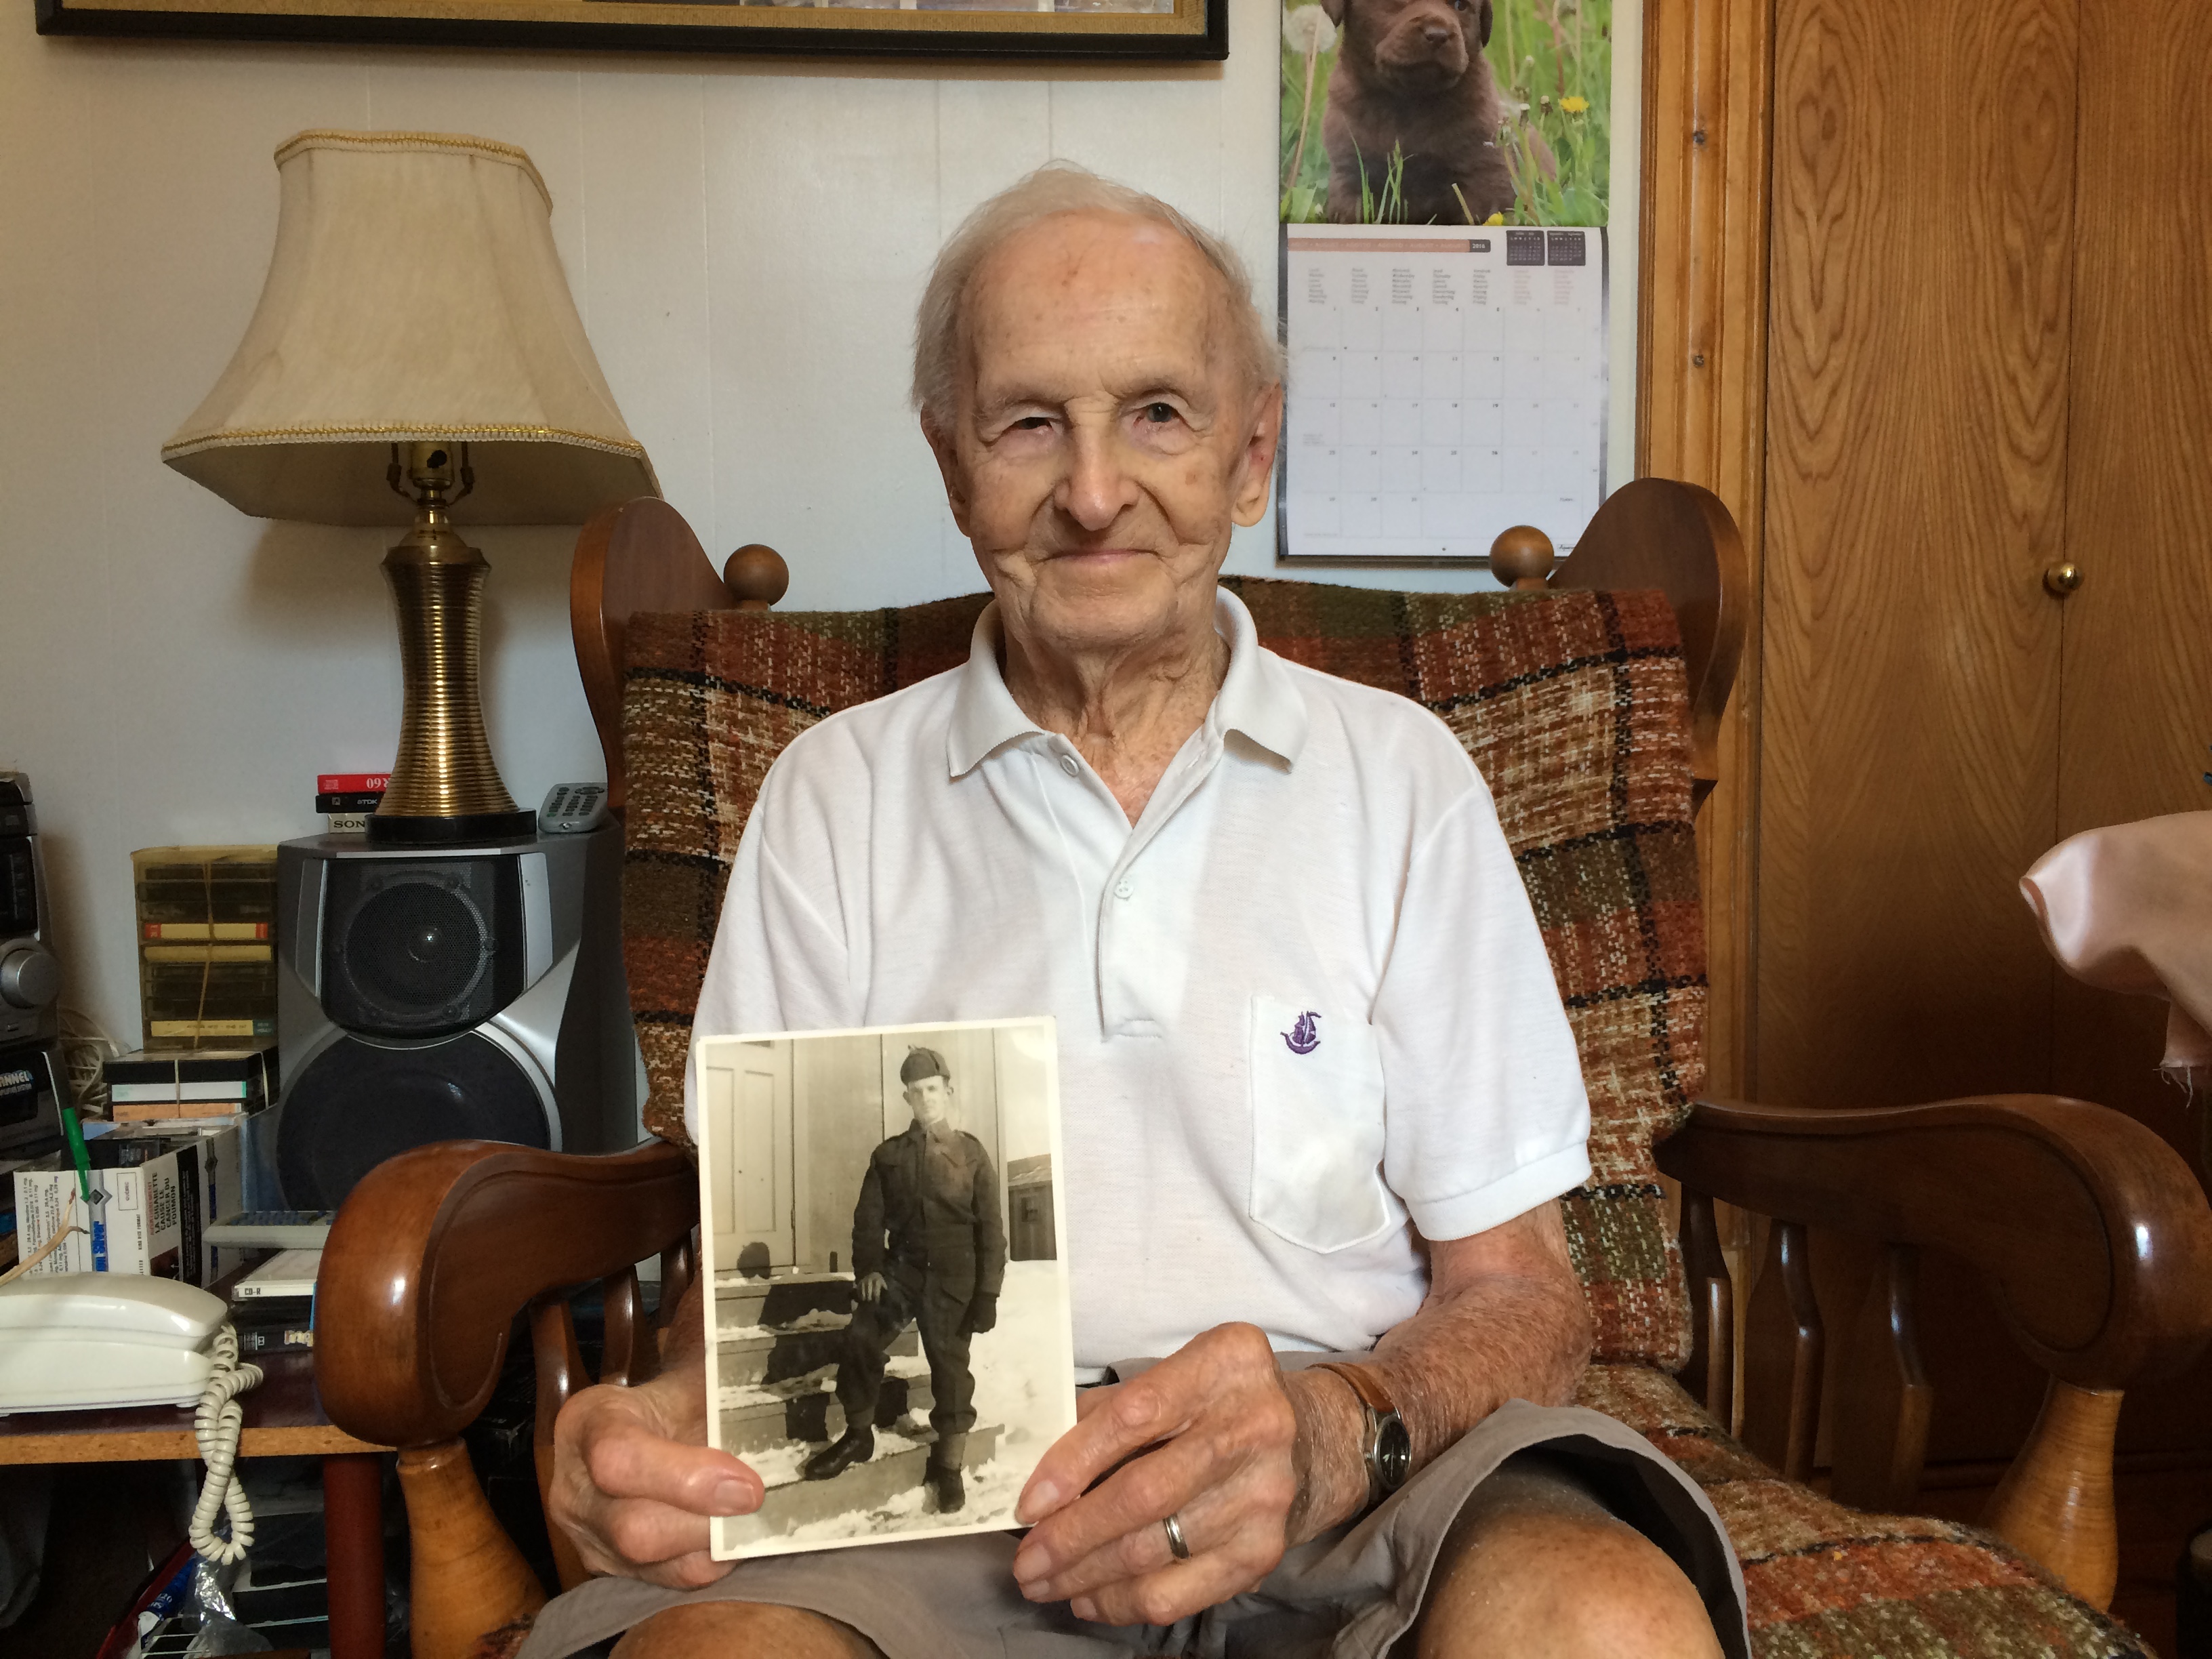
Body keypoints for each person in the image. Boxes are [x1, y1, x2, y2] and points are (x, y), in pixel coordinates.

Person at [531, 163, 1748, 1659]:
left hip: (1363, 1463)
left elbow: (1525, 1297)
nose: (1095, 491)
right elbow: (767, 1301)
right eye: (1030, 421)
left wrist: (1328, 1429)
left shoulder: (1404, 779)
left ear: (1253, 453)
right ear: (949, 460)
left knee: (1606, 1628)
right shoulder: (829, 797)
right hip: (948, 1495)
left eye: (1158, 414)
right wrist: (659, 1432)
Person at [800, 1046, 1007, 1513]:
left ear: (947, 1091)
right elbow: (868, 1221)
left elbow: (992, 1230)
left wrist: (988, 1293)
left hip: (955, 1278)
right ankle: (858, 1436)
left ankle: (949, 1465)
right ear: (906, 1098)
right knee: (860, 1334)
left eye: (933, 1089)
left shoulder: (971, 1154)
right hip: (903, 1273)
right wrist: (870, 1269)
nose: (926, 1098)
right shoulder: (888, 1156)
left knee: (951, 1369)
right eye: (916, 1092)